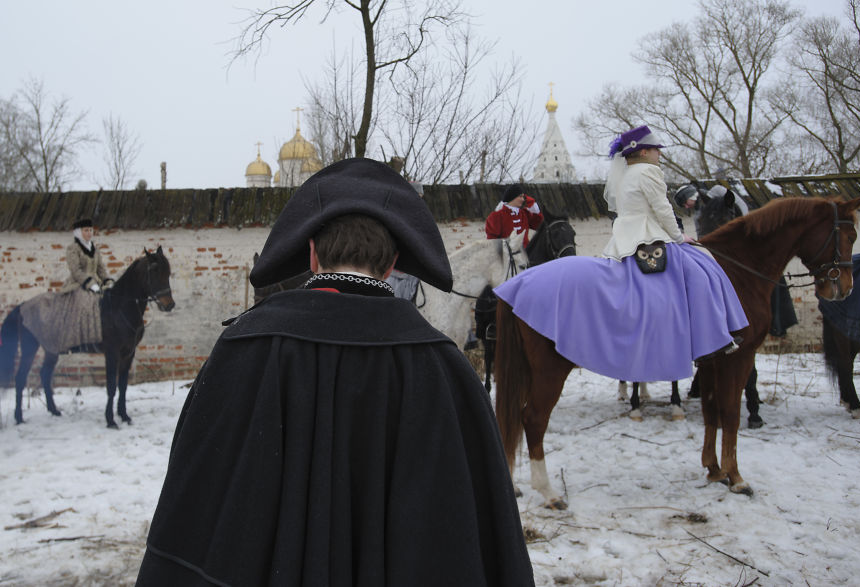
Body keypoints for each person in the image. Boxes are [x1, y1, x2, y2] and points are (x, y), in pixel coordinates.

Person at [135, 158, 535, 587]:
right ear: (393, 262)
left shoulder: (240, 351)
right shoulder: (445, 369)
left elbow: (192, 514)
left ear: (311, 252)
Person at [493, 126, 749, 383]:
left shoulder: (625, 175)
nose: (659, 154)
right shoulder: (649, 171)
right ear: (644, 151)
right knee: (699, 269)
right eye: (656, 150)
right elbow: (662, 209)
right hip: (650, 234)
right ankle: (712, 339)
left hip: (625, 238)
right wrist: (679, 237)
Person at [17, 218, 112, 355]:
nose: (89, 233)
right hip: (78, 284)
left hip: (96, 284)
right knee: (83, 303)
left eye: (91, 230)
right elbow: (76, 270)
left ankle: (101, 339)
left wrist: (108, 281)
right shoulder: (73, 249)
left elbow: (101, 269)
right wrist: (90, 284)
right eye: (86, 230)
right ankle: (76, 342)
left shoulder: (94, 249)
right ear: (79, 232)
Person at [385, 179, 424, 302]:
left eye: (420, 197)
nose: (418, 200)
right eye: (416, 196)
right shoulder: (394, 215)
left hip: (412, 273)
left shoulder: (420, 217)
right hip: (394, 271)